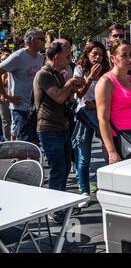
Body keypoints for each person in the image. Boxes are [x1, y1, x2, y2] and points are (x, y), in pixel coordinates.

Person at [34, 41, 85, 223]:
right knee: (58, 169)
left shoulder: (57, 74)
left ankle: (60, 206)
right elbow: (58, 97)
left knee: (63, 170)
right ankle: (54, 209)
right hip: (49, 129)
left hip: (61, 126)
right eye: (67, 56)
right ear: (56, 57)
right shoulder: (44, 75)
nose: (70, 60)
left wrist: (75, 86)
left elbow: (67, 97)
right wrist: (70, 83)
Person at [96, 40, 131, 165]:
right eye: (124, 55)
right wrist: (112, 152)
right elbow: (102, 119)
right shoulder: (106, 81)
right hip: (119, 141)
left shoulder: (130, 79)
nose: (130, 59)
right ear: (113, 58)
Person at [72, 41, 110, 207]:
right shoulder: (80, 70)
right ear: (87, 54)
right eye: (94, 54)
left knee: (109, 152)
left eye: (100, 55)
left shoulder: (107, 71)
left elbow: (111, 94)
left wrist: (96, 104)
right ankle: (84, 191)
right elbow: (79, 95)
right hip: (84, 116)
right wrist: (90, 78)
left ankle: (110, 188)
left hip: (102, 114)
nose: (97, 57)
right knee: (84, 156)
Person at [0, 28, 46, 143]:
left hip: (36, 108)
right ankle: (20, 161)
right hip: (21, 108)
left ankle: (32, 161)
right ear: (33, 40)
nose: (45, 41)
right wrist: (4, 95)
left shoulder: (40, 57)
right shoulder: (18, 56)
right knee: (24, 144)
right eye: (42, 39)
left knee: (35, 145)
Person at [108, 24, 131, 93]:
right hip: (110, 93)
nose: (118, 38)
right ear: (110, 37)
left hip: (128, 92)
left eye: (121, 36)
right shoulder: (104, 54)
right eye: (115, 36)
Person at [0, 51, 11, 141]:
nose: (4, 61)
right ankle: (8, 140)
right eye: (2, 59)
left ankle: (15, 140)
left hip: (13, 98)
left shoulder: (12, 71)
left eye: (6, 59)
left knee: (13, 120)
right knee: (6, 121)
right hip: (3, 99)